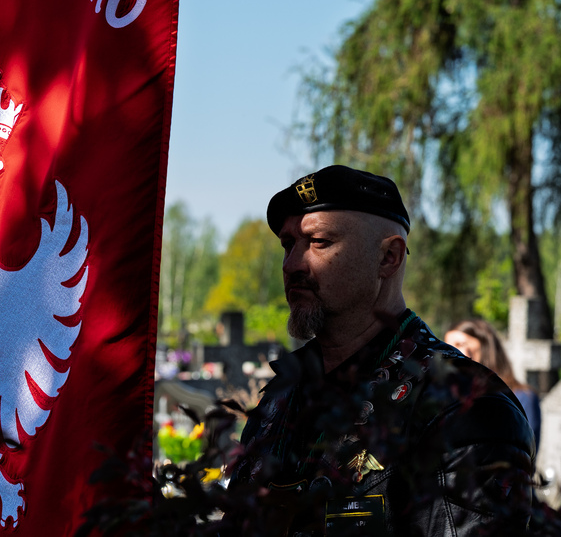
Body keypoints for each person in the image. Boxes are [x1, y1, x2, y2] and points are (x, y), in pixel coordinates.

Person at [227, 165, 535, 536]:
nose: (292, 264)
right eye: (288, 244)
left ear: (388, 257)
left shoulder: (465, 409)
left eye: (319, 242)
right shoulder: (283, 393)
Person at [446, 318, 542, 450]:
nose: (451, 352)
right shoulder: (451, 397)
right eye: (447, 346)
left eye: (460, 344)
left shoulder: (522, 397)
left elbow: (526, 450)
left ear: (485, 346)